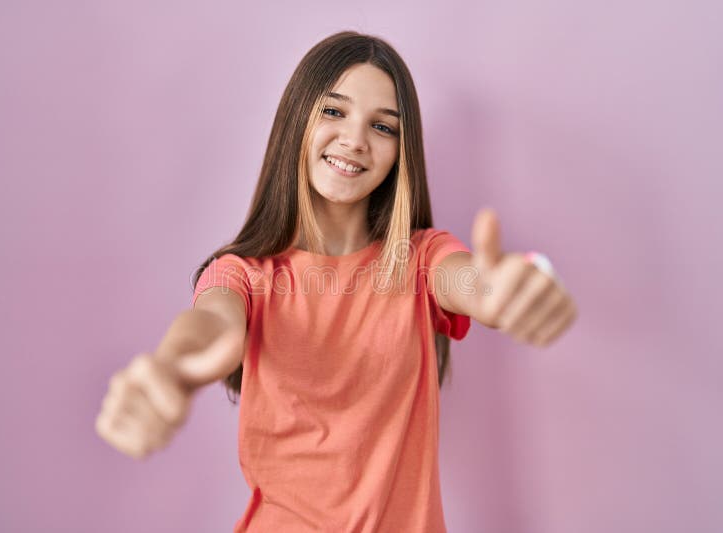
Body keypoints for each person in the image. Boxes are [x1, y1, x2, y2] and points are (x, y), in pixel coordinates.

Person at [95, 31, 577, 532]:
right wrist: (172, 367)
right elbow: (210, 325)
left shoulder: (420, 260)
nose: (355, 139)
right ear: (296, 121)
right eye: (333, 112)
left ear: (400, 153)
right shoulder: (244, 275)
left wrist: (516, 284)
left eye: (383, 127)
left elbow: (479, 284)